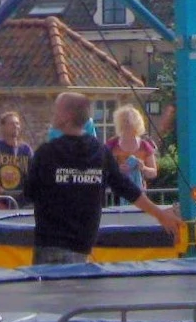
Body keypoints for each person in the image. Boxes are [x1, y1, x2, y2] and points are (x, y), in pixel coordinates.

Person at [23, 92, 183, 265]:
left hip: (51, 243)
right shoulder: (99, 152)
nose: (52, 114)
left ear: (66, 116)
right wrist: (159, 214)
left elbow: (29, 191)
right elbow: (127, 189)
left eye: (56, 110)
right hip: (80, 244)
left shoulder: (47, 153)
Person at [105, 106, 159, 198]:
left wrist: (143, 168)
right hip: (114, 194)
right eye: (125, 122)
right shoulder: (111, 144)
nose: (127, 126)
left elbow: (153, 173)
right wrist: (117, 170)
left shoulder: (145, 145)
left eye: (130, 123)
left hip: (139, 194)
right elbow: (101, 169)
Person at [0, 111, 34, 196]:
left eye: (17, 123)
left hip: (22, 198)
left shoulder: (26, 149)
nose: (15, 126)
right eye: (11, 123)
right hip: (2, 198)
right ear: (3, 127)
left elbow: (34, 171)